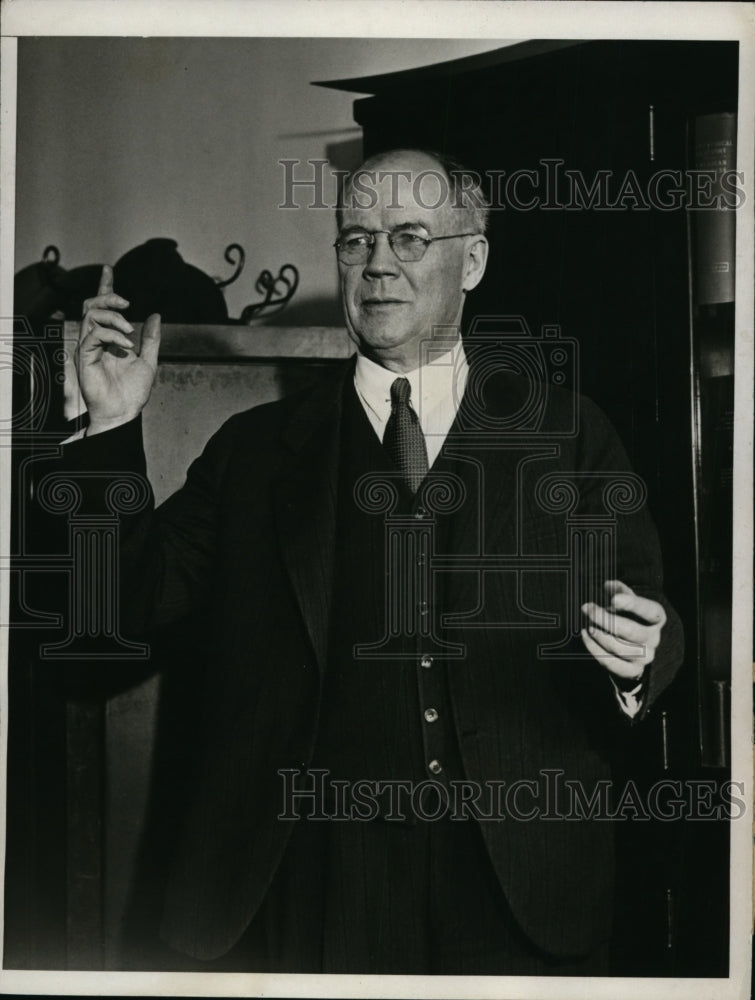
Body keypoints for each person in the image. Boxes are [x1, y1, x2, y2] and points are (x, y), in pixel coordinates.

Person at [52, 149, 683, 974]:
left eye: (409, 238)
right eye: (355, 240)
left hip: (519, 896)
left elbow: (649, 618)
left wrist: (639, 656)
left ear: (475, 258)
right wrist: (108, 431)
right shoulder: (255, 454)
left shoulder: (568, 435)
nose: (377, 264)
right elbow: (112, 617)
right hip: (307, 893)